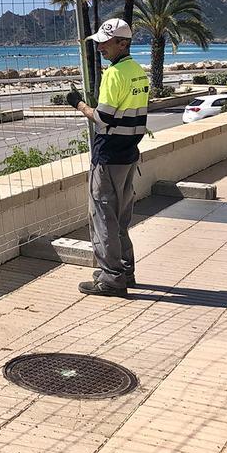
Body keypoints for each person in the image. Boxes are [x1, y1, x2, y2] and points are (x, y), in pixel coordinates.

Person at [65, 18, 149, 296]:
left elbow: (102, 118)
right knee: (122, 217)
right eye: (99, 42)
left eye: (105, 42)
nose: (100, 47)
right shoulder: (138, 71)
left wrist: (78, 104)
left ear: (122, 43)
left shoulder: (114, 74)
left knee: (102, 216)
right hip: (129, 154)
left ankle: (111, 278)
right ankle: (126, 270)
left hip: (109, 154)